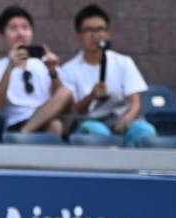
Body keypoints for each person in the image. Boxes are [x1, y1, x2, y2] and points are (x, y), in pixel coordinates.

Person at [58, 4, 156, 147]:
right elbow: (74, 111)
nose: (95, 35)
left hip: (122, 117)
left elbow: (135, 102)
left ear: (108, 33)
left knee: (144, 130)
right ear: (78, 35)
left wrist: (127, 118)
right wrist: (91, 96)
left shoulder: (124, 62)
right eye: (88, 30)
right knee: (97, 132)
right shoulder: (68, 70)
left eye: (100, 29)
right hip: (90, 121)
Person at [0, 5, 73, 137]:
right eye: (13, 28)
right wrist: (10, 68)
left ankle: (23, 134)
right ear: (2, 35)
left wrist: (53, 71)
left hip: (45, 119)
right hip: (13, 124)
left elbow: (65, 103)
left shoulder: (45, 63)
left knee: (60, 111)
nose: (20, 33)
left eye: (25, 28)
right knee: (55, 125)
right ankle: (22, 133)